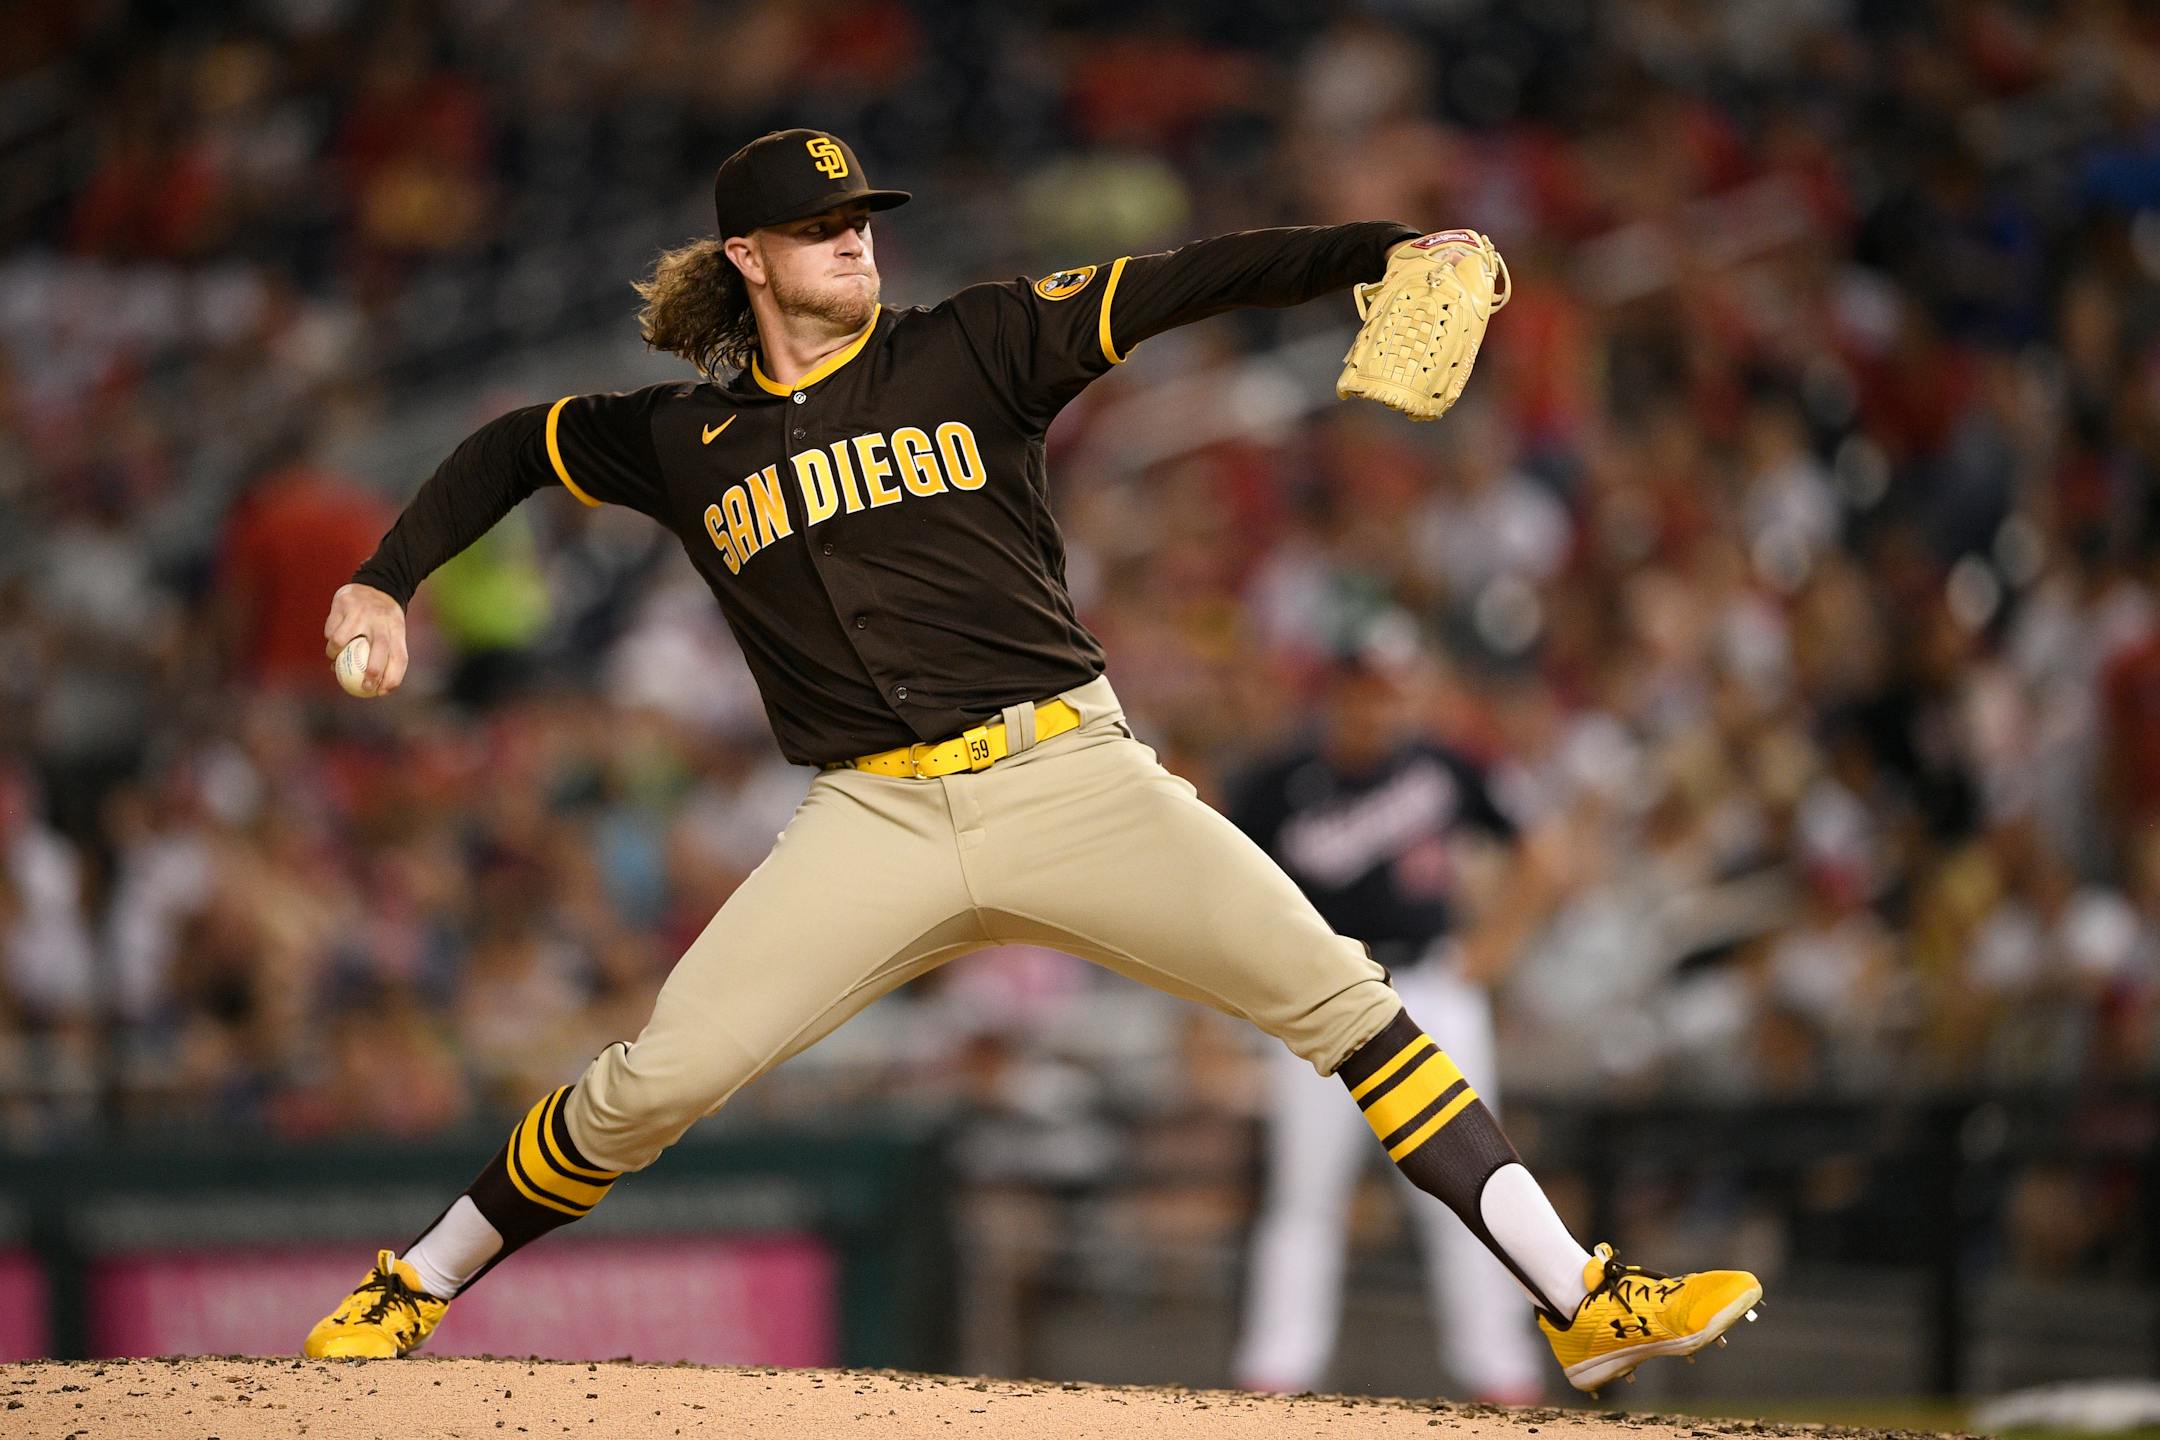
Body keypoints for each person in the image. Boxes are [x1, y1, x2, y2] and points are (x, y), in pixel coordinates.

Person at [304, 128, 1761, 1396]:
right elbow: (509, 446)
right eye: (822, 229)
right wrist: (386, 577)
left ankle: (1583, 1297)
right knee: (653, 1082)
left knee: (1347, 1003)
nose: (856, 244)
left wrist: (1386, 248)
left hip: (1073, 778)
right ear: (746, 256)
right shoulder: (681, 439)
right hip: (870, 816)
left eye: (863, 221)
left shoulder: (981, 338)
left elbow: (1191, 277)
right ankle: (412, 1285)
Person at [1231, 639, 1548, 1401]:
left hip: (1432, 990)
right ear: (1335, 693)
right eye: (1365, 689)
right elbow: (1227, 888)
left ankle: (1500, 1373)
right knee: (1305, 1195)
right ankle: (1278, 1372)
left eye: (1391, 689)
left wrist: (1494, 946)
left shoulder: (1445, 765)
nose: (1378, 704)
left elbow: (1541, 849)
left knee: (1474, 1188)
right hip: (1324, 996)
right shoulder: (1278, 782)